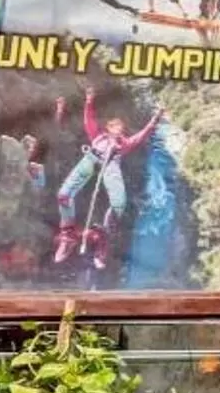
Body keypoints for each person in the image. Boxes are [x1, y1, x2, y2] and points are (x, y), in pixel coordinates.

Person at [54, 99, 160, 270]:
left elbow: (142, 135)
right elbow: (89, 119)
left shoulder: (123, 144)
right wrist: (89, 101)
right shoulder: (98, 136)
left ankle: (102, 236)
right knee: (64, 195)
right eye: (115, 127)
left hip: (111, 164)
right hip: (92, 159)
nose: (118, 130)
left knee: (119, 203)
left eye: (121, 129)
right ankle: (68, 235)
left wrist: (155, 120)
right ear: (108, 129)